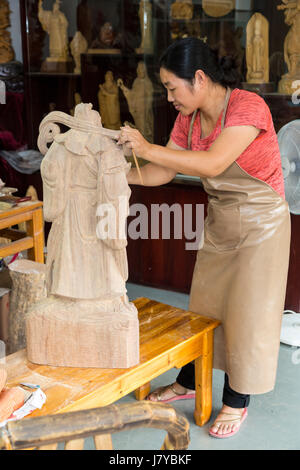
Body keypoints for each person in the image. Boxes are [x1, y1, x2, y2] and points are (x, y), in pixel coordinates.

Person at [118, 37, 291, 438]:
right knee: (205, 309)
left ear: (198, 78)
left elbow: (212, 164)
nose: (169, 96)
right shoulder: (188, 118)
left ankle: (236, 401)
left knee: (246, 316)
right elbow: (161, 173)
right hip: (222, 221)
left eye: (171, 87)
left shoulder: (248, 107)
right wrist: (116, 173)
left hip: (262, 225)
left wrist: (147, 147)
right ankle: (189, 381)